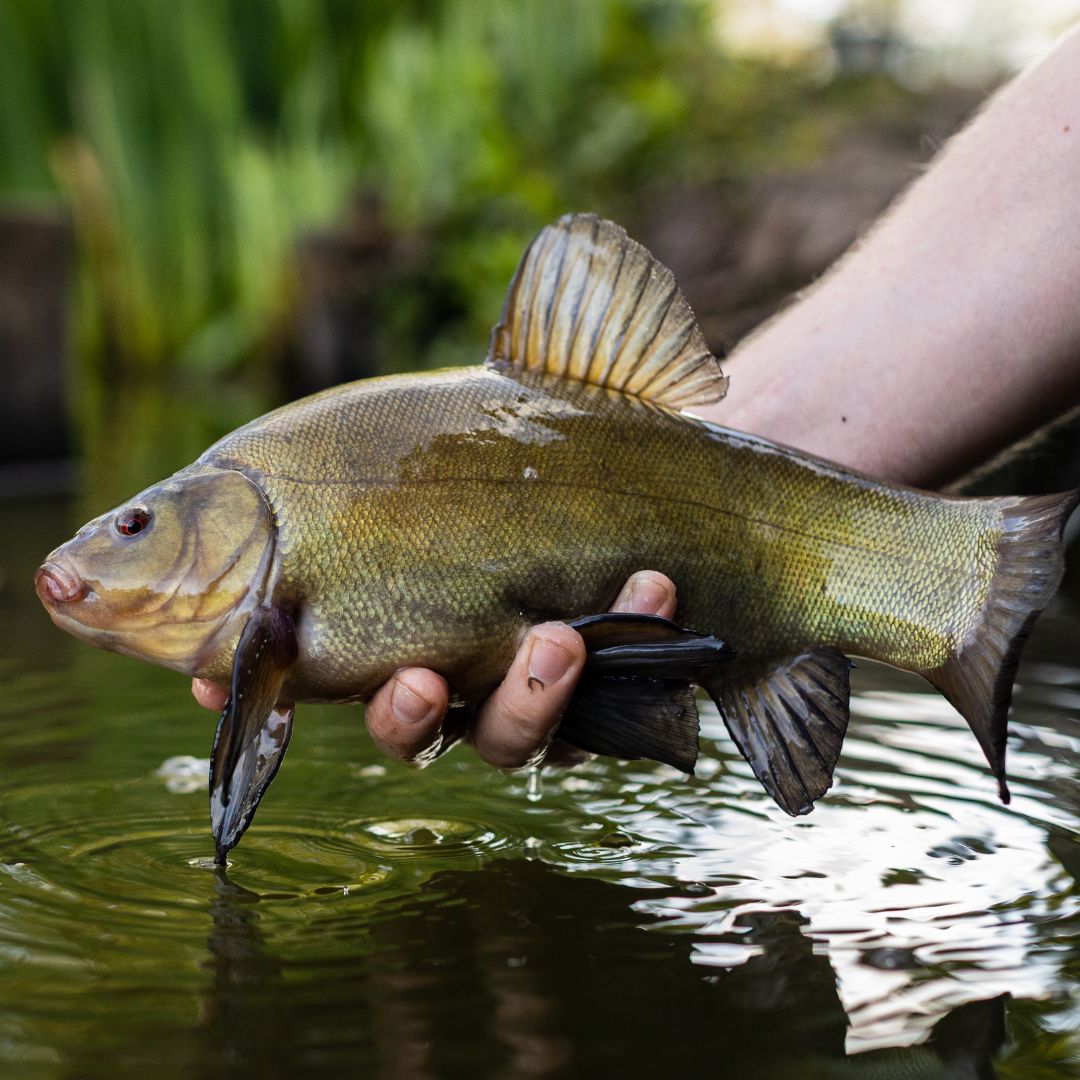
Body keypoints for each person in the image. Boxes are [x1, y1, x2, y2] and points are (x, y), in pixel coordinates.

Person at [193, 25, 1080, 770]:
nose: (90, 558)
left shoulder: (265, 491)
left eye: (135, 526)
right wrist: (730, 450)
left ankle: (972, 577)